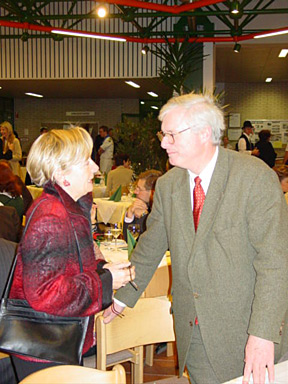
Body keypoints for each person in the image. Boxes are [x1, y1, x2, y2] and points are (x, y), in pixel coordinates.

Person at [104, 93, 288, 384]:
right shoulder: (168, 186)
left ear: (204, 133)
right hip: (196, 330)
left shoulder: (253, 178)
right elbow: (150, 247)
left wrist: (263, 334)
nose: (163, 143)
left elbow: (275, 263)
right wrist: (123, 297)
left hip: (247, 328)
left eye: (171, 135)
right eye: (162, 134)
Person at [9, 127, 135, 381]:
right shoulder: (51, 216)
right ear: (62, 174)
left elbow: (73, 264)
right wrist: (105, 280)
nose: (96, 168)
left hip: (57, 337)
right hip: (44, 344)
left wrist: (104, 269)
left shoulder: (66, 209)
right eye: (86, 161)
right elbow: (46, 294)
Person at [122, 169, 162, 242]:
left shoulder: (163, 209)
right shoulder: (141, 206)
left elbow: (149, 241)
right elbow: (130, 241)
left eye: (139, 189)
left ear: (152, 192)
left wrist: (144, 215)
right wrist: (129, 214)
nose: (135, 192)